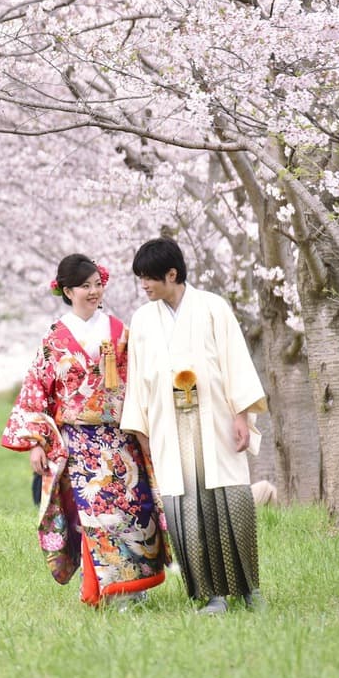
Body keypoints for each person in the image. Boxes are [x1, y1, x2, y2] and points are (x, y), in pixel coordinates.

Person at [1, 254, 168, 608]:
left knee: (132, 511)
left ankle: (133, 591)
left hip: (121, 437)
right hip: (78, 442)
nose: (94, 292)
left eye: (97, 284)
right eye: (85, 286)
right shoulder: (56, 337)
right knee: (95, 515)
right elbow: (36, 391)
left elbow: (139, 381)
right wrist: (37, 443)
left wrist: (144, 428)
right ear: (67, 291)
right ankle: (106, 592)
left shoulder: (120, 331)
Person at [122, 237, 268, 615]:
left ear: (172, 274)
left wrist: (241, 415)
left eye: (149, 278)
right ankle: (212, 595)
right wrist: (142, 432)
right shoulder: (141, 320)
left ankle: (249, 589)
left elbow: (235, 360)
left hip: (215, 417)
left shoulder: (212, 308)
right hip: (168, 425)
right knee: (185, 509)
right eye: (140, 278)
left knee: (230, 502)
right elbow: (138, 378)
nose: (144, 285)